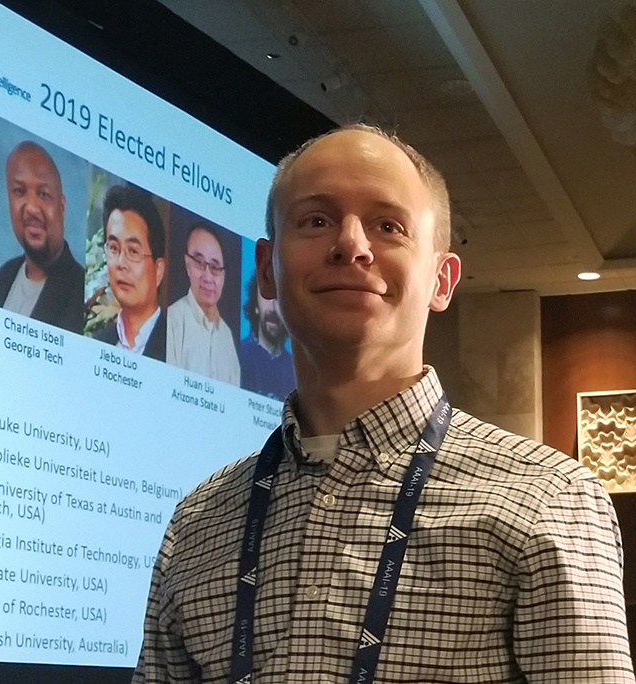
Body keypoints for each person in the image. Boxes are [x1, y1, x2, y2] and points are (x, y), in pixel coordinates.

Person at [134, 124, 634, 683]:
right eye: (316, 220)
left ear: (442, 280)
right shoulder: (200, 522)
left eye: (388, 225)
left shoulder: (545, 500)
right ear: (269, 268)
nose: (351, 244)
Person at [0, 140, 83, 333]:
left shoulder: (79, 292)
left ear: (61, 207)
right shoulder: (3, 277)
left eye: (44, 194)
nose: (31, 208)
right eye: (19, 192)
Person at [95, 183, 166, 361]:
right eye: (113, 248)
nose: (121, 263)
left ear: (158, 271)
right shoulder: (97, 344)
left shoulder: (176, 349)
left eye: (133, 251)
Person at [166, 223, 240, 384]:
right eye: (199, 263)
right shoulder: (172, 320)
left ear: (223, 276)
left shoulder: (227, 335)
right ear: (187, 265)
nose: (207, 277)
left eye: (214, 267)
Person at [239, 271, 294, 399]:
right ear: (255, 306)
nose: (273, 308)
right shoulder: (239, 356)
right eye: (266, 296)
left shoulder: (297, 373)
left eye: (279, 298)